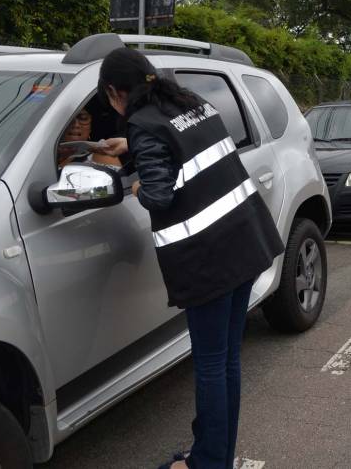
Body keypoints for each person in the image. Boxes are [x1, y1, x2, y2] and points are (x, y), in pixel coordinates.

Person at [94, 47, 284, 469]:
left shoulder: (144, 125)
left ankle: (207, 463)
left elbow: (159, 194)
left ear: (114, 92)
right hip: (245, 243)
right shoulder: (191, 104)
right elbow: (181, 143)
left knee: (212, 365)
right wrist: (134, 146)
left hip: (209, 260)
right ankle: (216, 455)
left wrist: (138, 182)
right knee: (227, 359)